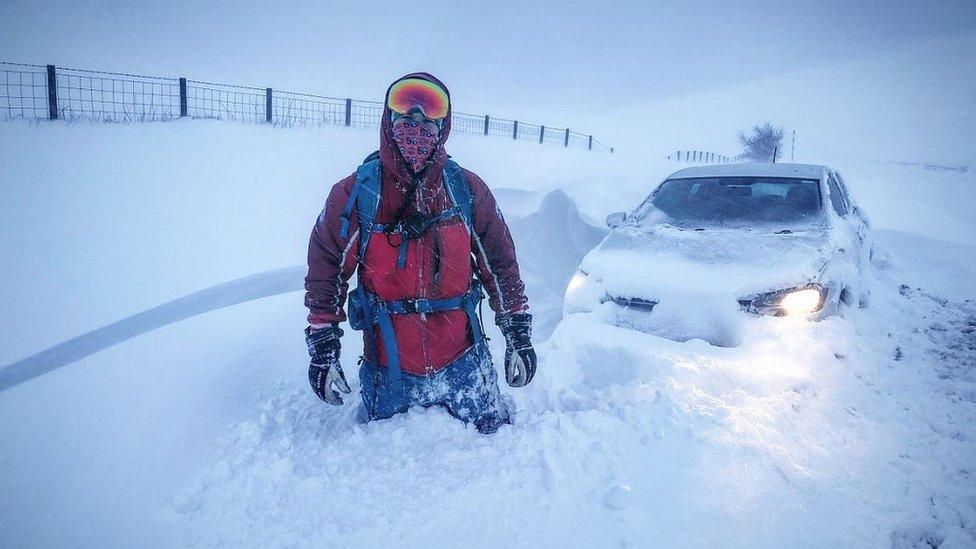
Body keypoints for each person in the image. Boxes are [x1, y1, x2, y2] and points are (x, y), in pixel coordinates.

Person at [303, 73, 537, 434]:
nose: (417, 124)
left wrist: (517, 334)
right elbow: (326, 267)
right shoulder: (356, 194)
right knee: (384, 462)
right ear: (387, 118)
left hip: (465, 366)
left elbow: (501, 264)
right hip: (388, 371)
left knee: (495, 445)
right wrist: (323, 347)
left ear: (444, 125)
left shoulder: (466, 190)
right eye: (406, 112)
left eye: (430, 115)